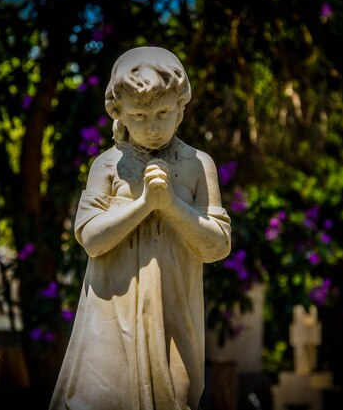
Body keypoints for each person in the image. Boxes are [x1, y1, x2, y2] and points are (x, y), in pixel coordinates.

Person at [49, 46, 231, 410]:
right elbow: (91, 239)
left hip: (174, 313)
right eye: (139, 114)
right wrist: (145, 204)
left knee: (178, 397)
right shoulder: (108, 166)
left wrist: (172, 206)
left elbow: (217, 245)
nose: (152, 126)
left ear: (181, 108)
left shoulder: (197, 165)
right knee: (104, 399)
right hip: (111, 311)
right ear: (119, 114)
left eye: (163, 112)